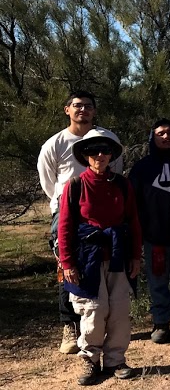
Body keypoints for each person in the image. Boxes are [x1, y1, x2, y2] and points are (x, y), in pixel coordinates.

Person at [38, 90, 123, 355]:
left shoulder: (106, 139)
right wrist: (68, 204)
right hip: (66, 211)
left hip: (101, 216)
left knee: (102, 267)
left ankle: (101, 324)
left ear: (95, 111)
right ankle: (70, 326)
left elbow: (116, 173)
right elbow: (48, 182)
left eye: (88, 106)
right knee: (67, 266)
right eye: (77, 106)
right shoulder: (55, 144)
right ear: (67, 110)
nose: (82, 110)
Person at [58, 130, 142, 385]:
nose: (100, 155)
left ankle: (116, 360)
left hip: (118, 256)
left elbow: (133, 222)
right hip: (87, 258)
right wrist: (68, 263)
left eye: (105, 151)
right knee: (94, 310)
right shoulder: (75, 185)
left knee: (118, 310)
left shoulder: (122, 184)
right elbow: (65, 227)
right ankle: (90, 360)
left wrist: (136, 256)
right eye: (94, 151)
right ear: (85, 155)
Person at [128, 119, 170, 344]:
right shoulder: (143, 168)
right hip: (155, 237)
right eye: (160, 133)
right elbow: (132, 202)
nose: (166, 136)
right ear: (152, 138)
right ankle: (161, 321)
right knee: (158, 281)